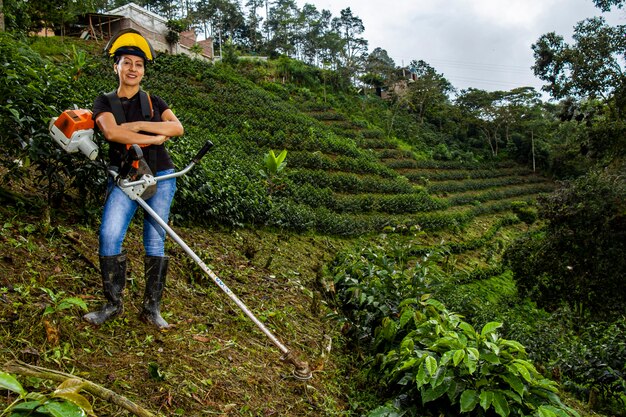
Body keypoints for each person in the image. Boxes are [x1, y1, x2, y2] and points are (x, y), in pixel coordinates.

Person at [83, 29, 184, 329]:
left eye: (138, 64)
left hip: (162, 175)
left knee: (155, 240)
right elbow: (112, 132)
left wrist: (139, 128)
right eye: (126, 62)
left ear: (144, 70)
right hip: (125, 178)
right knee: (110, 234)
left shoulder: (155, 101)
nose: (132, 69)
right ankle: (113, 304)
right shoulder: (104, 102)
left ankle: (151, 309)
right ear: (116, 66)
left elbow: (177, 129)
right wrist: (155, 135)